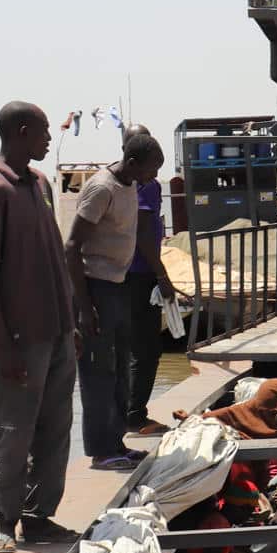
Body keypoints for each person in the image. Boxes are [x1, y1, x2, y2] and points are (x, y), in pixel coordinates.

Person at [0, 102, 77, 553]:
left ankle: (39, 518)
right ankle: (4, 521)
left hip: (56, 332)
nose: (50, 139)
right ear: (22, 130)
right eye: (44, 132)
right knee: (12, 432)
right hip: (17, 340)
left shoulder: (40, 183)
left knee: (54, 429)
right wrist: (3, 347)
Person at [66, 128, 166, 472]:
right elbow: (71, 247)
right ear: (133, 162)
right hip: (96, 287)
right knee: (97, 372)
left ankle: (116, 442)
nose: (152, 178)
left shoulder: (131, 186)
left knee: (121, 368)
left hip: (120, 285)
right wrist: (83, 307)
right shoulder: (101, 188)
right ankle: (100, 450)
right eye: (150, 171)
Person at [122, 127, 179, 437]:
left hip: (124, 275)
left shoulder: (121, 183)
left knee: (132, 349)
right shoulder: (147, 186)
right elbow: (144, 233)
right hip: (141, 275)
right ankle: (135, 417)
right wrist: (162, 274)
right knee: (146, 350)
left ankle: (129, 414)